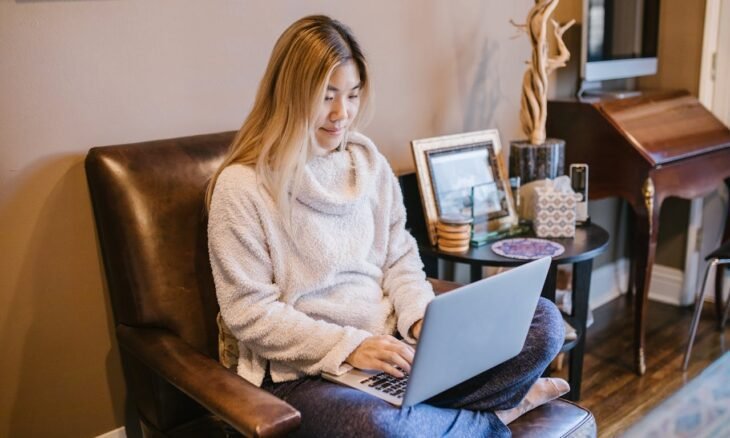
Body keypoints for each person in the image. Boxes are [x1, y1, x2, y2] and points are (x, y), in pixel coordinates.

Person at [207, 15, 568, 437]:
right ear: (289, 94)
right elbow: (249, 314)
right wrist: (352, 346)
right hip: (305, 372)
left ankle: (438, 416)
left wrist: (419, 320)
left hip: (396, 349)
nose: (342, 114)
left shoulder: (369, 165)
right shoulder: (242, 187)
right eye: (326, 96)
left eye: (353, 94)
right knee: (379, 427)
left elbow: (399, 257)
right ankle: (497, 415)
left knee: (543, 322)